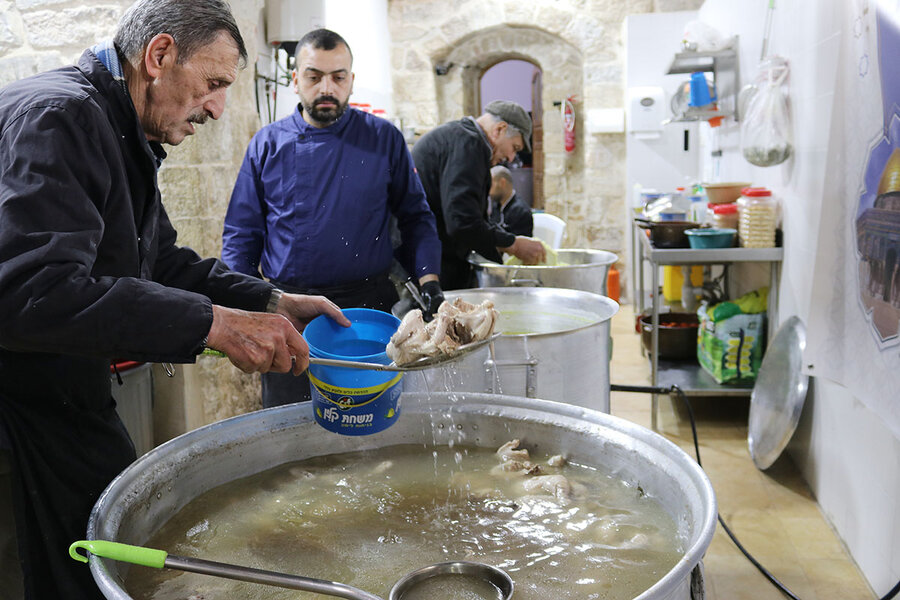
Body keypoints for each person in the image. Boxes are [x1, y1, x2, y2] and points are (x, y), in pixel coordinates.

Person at [0, 2, 350, 599]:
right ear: (159, 56)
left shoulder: (117, 129)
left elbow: (160, 261)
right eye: (212, 85)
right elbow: (31, 291)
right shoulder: (61, 119)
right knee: (64, 567)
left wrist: (270, 298)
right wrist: (212, 324)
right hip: (23, 400)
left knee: (105, 545)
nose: (217, 108)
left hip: (61, 390)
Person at [221, 29, 442, 408]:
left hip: (367, 314)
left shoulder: (383, 139)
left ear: (351, 81)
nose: (327, 87)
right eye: (314, 76)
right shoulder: (267, 144)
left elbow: (416, 217)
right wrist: (249, 307)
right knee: (291, 432)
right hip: (290, 316)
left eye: (338, 77)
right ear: (295, 80)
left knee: (371, 427)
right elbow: (241, 236)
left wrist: (430, 281)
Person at [411, 100, 546, 290]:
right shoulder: (469, 144)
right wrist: (513, 245)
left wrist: (505, 240)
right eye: (514, 148)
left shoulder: (462, 137)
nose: (510, 158)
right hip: (424, 265)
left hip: (427, 257)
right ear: (499, 129)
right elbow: (462, 222)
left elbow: (471, 215)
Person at [488, 165, 533, 237]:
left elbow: (518, 244)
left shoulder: (520, 211)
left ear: (502, 182)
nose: (488, 191)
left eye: (491, 185)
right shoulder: (496, 206)